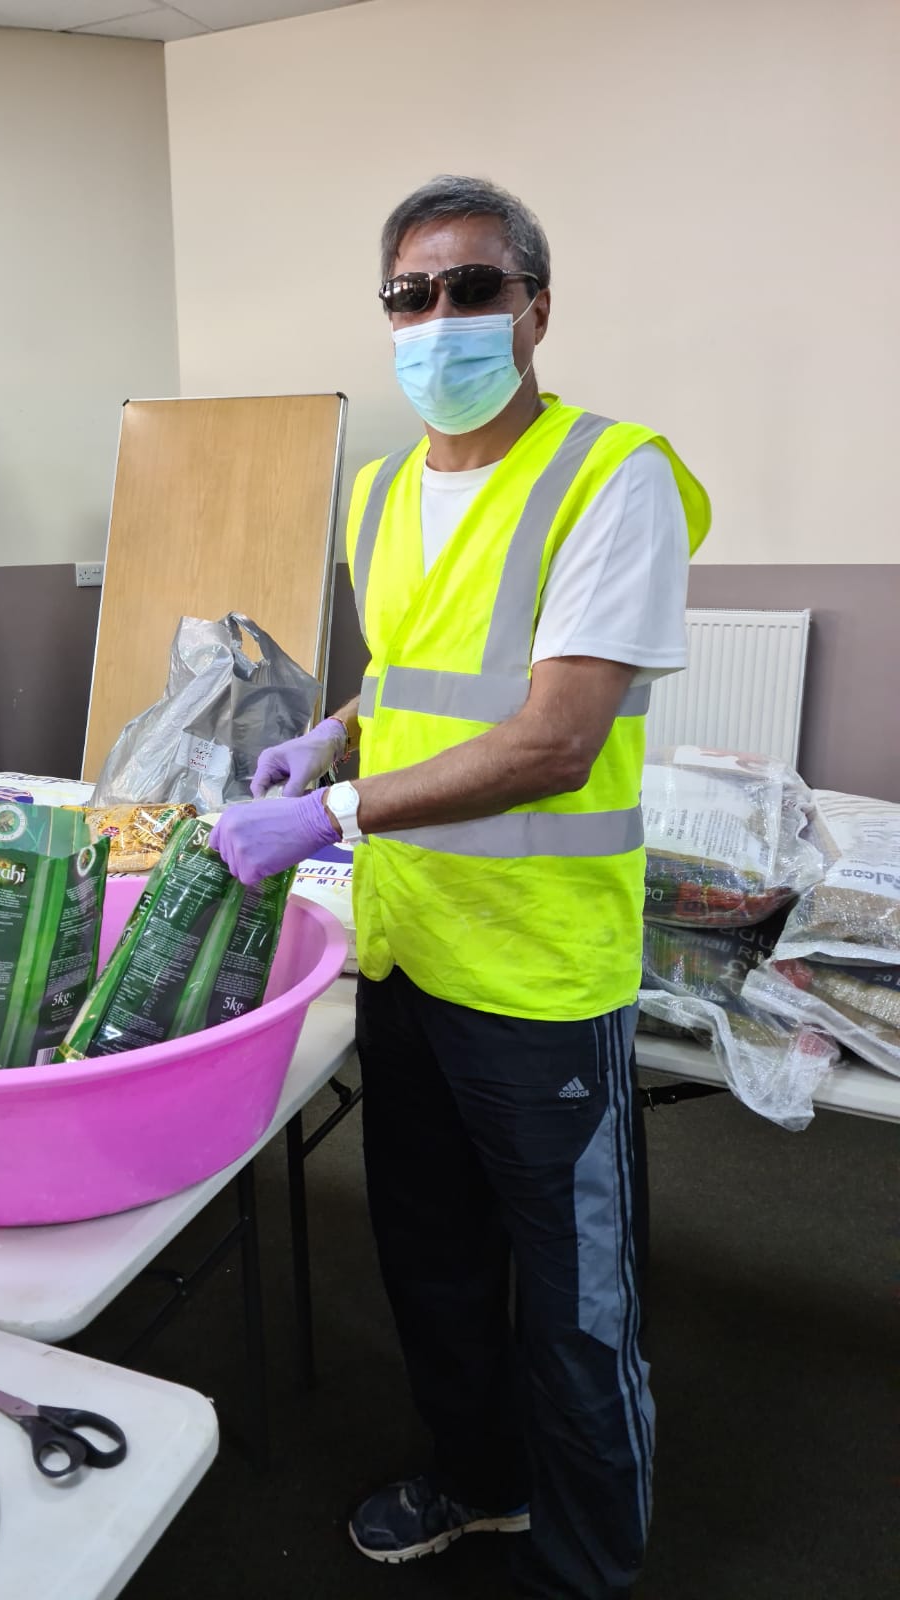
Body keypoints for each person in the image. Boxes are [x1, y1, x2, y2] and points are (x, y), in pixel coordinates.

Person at [210, 174, 710, 1600]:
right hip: (411, 951)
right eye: (410, 296)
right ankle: (480, 1482)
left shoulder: (613, 477)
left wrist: (334, 810)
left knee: (578, 1307)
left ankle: (587, 1566)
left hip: (545, 976)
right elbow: (418, 679)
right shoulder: (380, 489)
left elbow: (553, 739)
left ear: (535, 307)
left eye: (474, 287)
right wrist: (335, 729)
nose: (441, 319)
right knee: (427, 1260)